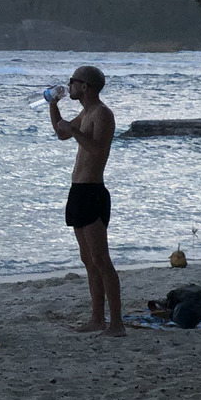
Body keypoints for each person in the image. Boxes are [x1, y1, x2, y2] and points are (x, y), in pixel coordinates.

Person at [49, 65, 123, 336]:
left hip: (93, 191)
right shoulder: (86, 113)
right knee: (88, 260)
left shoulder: (102, 114)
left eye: (72, 82)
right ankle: (97, 319)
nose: (69, 86)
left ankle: (116, 323)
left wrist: (74, 130)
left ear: (85, 87)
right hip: (78, 190)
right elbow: (61, 133)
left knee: (101, 259)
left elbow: (97, 149)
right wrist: (53, 106)